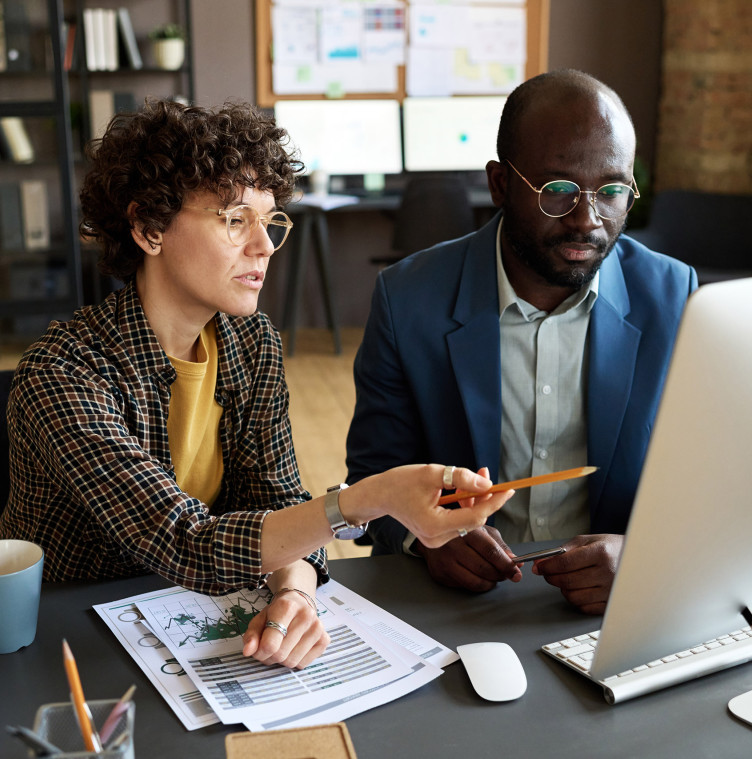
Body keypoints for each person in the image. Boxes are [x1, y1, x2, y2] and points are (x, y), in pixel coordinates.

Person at [0, 99, 513, 669]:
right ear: (149, 228)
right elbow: (184, 539)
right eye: (234, 219)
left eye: (269, 221)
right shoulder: (64, 372)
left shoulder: (250, 342)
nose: (265, 246)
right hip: (60, 641)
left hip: (191, 621)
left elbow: (280, 501)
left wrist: (294, 591)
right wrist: (375, 496)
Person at [346, 70, 698, 615]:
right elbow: (373, 477)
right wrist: (424, 538)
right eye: (557, 190)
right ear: (500, 184)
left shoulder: (675, 298)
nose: (587, 220)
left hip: (614, 606)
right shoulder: (408, 298)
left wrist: (646, 558)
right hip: (460, 604)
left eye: (611, 192)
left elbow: (714, 483)